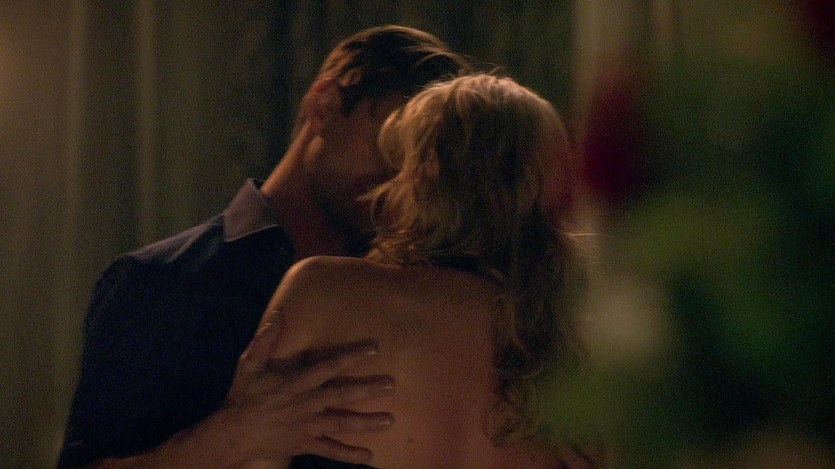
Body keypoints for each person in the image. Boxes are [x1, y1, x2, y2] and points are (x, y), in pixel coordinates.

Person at [58, 25, 470, 468]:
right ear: (326, 107)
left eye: (423, 166)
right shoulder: (158, 282)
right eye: (392, 145)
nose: (403, 181)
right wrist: (230, 439)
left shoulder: (415, 296)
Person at [252, 73, 592, 468]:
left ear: (426, 172)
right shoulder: (575, 341)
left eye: (401, 166)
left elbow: (246, 455)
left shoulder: (322, 293)